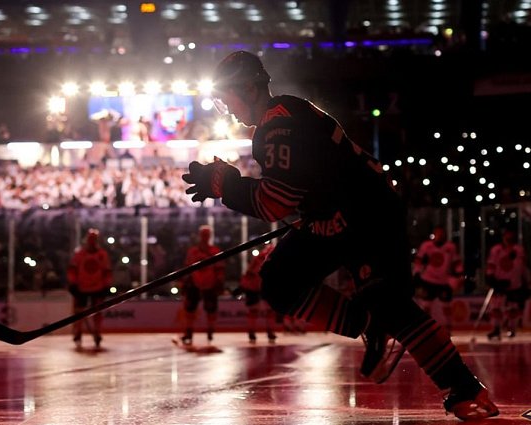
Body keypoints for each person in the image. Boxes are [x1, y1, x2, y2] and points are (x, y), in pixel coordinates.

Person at [182, 50, 497, 420]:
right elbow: (295, 196)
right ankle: (371, 325)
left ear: (249, 89)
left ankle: (462, 386)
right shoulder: (278, 120)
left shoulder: (278, 124)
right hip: (334, 217)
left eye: (228, 100)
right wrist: (229, 185)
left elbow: (274, 202)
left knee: (389, 303)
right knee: (280, 282)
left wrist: (224, 183)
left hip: (369, 214)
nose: (229, 111)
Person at [179, 225, 225, 345]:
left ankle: (210, 330)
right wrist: (185, 282)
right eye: (203, 234)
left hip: (210, 283)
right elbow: (187, 267)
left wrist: (219, 282)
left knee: (211, 309)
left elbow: (220, 269)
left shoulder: (215, 251)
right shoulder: (193, 251)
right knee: (190, 309)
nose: (205, 237)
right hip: (194, 282)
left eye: (207, 234)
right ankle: (189, 332)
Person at [67, 228, 113, 348]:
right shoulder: (80, 254)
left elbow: (107, 271)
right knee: (78, 312)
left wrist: (106, 285)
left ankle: (97, 331)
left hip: (97, 287)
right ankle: (78, 331)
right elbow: (72, 270)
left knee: (97, 312)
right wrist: (73, 283)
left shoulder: (102, 255)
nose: (92, 242)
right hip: (81, 287)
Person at [413, 227, 464, 333]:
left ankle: (448, 329)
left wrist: (460, 273)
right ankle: (425, 328)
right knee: (426, 306)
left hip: (443, 281)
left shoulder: (450, 247)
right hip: (428, 280)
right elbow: (419, 260)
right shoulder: (426, 246)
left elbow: (456, 262)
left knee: (446, 306)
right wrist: (416, 273)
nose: (439, 236)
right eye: (437, 233)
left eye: (441, 233)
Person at [485, 229, 528, 340]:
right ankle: (496, 328)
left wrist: (526, 281)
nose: (508, 239)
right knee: (496, 308)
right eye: (506, 236)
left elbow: (522, 267)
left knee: (512, 308)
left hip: (514, 284)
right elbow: (491, 265)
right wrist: (491, 279)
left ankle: (512, 328)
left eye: (510, 236)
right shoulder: (496, 250)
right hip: (500, 283)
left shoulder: (519, 250)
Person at [236, 242, 277, 343]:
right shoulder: (262, 258)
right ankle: (258, 331)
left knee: (264, 310)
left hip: (261, 286)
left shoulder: (261, 258)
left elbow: (249, 272)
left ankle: (259, 331)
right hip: (256, 286)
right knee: (258, 310)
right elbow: (250, 273)